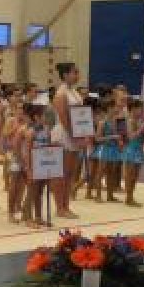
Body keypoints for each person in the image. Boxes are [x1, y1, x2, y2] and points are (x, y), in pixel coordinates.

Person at [49, 63, 84, 218]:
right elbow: (63, 118)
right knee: (61, 173)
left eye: (77, 72)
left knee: (70, 173)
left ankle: (66, 205)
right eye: (74, 72)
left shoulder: (75, 92)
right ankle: (60, 207)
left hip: (75, 132)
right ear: (65, 75)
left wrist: (84, 133)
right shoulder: (61, 93)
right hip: (64, 134)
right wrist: (74, 135)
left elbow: (80, 116)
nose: (77, 75)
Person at [121, 97, 144, 207]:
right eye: (139, 109)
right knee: (130, 175)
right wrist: (141, 128)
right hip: (131, 150)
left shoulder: (140, 121)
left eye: (142, 109)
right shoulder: (129, 121)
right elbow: (130, 137)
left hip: (139, 149)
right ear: (132, 109)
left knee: (136, 176)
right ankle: (128, 198)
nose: (141, 111)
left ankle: (131, 196)